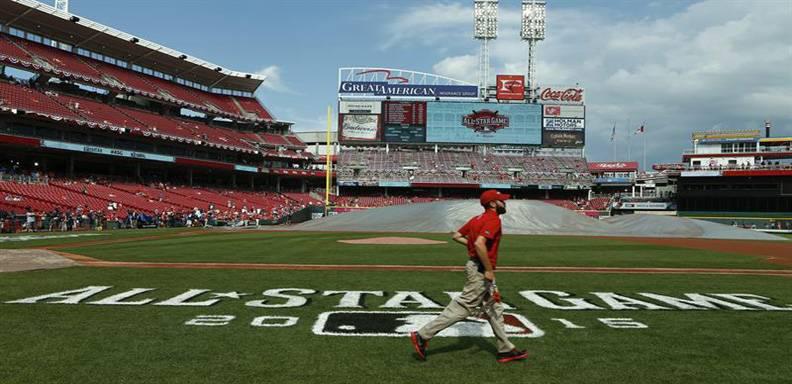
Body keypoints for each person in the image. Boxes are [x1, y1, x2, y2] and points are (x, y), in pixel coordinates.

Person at [410, 190, 528, 364]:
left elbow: (456, 236)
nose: (505, 203)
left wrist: (473, 248)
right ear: (493, 204)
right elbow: (480, 243)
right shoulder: (493, 219)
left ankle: (505, 350)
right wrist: (488, 269)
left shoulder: (477, 219)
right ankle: (422, 335)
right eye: (502, 200)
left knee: (494, 308)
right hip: (480, 269)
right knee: (463, 306)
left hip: (477, 265)